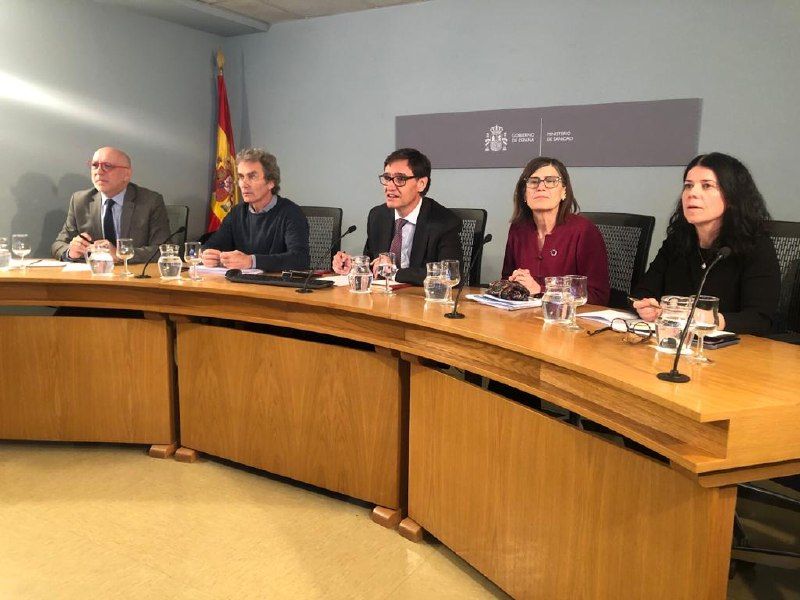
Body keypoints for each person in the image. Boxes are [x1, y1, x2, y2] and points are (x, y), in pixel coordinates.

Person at [632, 152, 780, 335]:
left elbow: (760, 319)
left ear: (731, 196)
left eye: (706, 186)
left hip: (734, 348)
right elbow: (642, 292)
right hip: (675, 342)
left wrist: (712, 320)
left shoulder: (755, 245)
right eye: (688, 186)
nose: (692, 193)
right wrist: (646, 307)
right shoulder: (678, 240)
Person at [332, 148, 462, 285]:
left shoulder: (445, 222)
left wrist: (394, 272)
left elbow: (450, 275)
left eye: (400, 179)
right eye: (387, 178)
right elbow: (374, 263)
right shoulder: (378, 216)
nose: (390, 186)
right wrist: (355, 266)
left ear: (421, 184)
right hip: (384, 296)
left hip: (420, 296)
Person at [502, 157, 610, 305]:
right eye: (533, 181)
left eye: (551, 181)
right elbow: (506, 280)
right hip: (524, 316)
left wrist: (540, 290)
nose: (541, 187)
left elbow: (598, 295)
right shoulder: (518, 229)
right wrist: (514, 283)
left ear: (564, 192)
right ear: (524, 194)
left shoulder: (584, 231)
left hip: (569, 317)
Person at [51, 147, 170, 263]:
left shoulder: (150, 201)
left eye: (107, 166)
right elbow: (58, 244)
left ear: (126, 174)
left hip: (133, 273)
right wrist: (70, 252)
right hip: (94, 273)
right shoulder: (80, 201)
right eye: (95, 165)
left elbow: (164, 249)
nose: (99, 171)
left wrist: (120, 253)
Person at [202, 148, 310, 271]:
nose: (244, 184)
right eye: (241, 177)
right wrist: (207, 255)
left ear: (271, 182)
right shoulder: (237, 213)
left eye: (252, 176)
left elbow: (300, 259)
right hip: (238, 282)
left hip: (275, 282)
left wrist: (251, 261)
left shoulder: (291, 213)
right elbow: (212, 245)